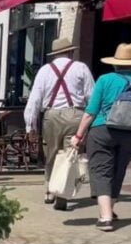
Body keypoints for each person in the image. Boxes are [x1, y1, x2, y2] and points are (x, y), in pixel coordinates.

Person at [71, 43, 131, 232]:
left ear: (116, 63)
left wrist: (79, 134)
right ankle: (109, 209)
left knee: (101, 171)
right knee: (119, 170)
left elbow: (90, 112)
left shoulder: (105, 80)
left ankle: (106, 217)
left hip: (103, 130)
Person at [24, 37, 95, 209]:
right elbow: (91, 97)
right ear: (71, 51)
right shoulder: (81, 68)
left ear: (54, 55)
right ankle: (63, 193)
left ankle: (49, 189)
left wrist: (30, 125)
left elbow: (34, 99)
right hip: (75, 114)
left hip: (52, 115)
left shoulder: (45, 70)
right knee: (70, 154)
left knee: (52, 153)